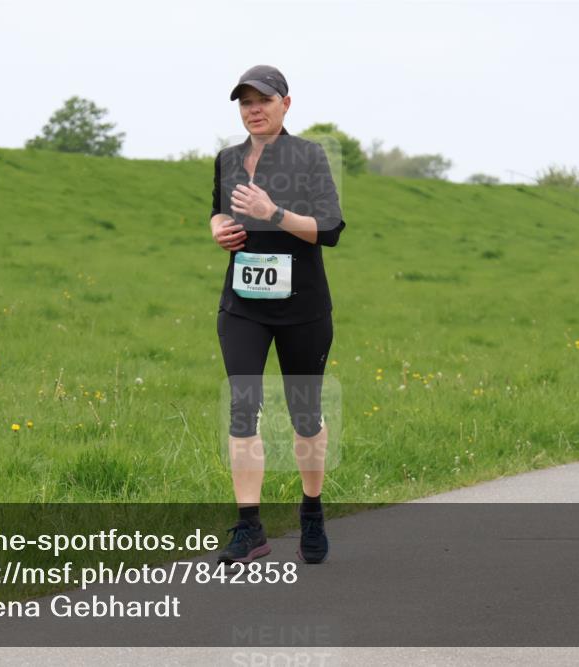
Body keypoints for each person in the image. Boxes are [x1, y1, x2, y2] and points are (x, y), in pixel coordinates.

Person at [209, 65, 346, 565]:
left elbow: (329, 229)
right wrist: (218, 228)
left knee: (305, 415)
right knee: (242, 408)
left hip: (303, 309)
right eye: (245, 102)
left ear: (286, 103)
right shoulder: (227, 159)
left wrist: (274, 214)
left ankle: (311, 510)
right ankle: (250, 528)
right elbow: (217, 211)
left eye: (263, 100)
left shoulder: (308, 157)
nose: (254, 109)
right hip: (242, 305)